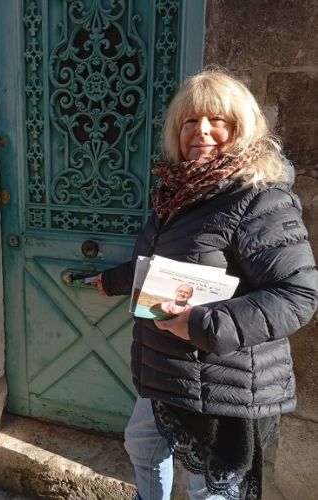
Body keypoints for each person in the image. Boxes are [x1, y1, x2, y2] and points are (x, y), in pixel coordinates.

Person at [94, 69, 317, 499]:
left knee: (209, 489)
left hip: (226, 382)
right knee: (141, 444)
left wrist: (199, 325)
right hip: (165, 369)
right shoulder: (178, 194)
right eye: (190, 122)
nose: (202, 131)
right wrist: (112, 280)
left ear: (242, 128)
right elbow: (160, 264)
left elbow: (297, 295)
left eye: (218, 120)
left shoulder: (260, 197)